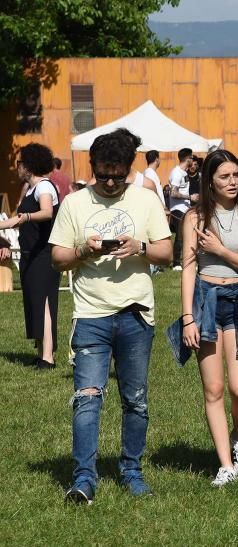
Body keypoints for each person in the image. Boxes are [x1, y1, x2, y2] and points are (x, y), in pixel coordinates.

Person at [49, 128, 172, 504]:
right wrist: (84, 251)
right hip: (90, 316)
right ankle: (84, 478)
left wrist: (141, 246)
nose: (110, 181)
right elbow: (57, 258)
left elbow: (167, 254)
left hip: (135, 315)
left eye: (118, 174)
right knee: (87, 398)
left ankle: (131, 471)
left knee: (135, 399)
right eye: (103, 174)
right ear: (93, 168)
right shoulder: (74, 203)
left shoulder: (146, 200)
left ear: (128, 170)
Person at [180, 150, 238, 487]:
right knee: (213, 388)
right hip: (207, 300)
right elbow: (187, 267)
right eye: (224, 177)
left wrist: (221, 250)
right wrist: (188, 318)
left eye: (236, 175)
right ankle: (225, 463)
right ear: (210, 181)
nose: (232, 182)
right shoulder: (194, 218)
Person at [0, 143, 60, 369]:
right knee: (34, 302)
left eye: (20, 163)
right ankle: (41, 350)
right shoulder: (32, 187)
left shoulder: (44, 187)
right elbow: (15, 220)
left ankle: (48, 358)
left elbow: (46, 212)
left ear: (30, 165)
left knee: (44, 303)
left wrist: (24, 218)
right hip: (30, 254)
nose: (17, 168)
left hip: (43, 255)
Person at [169, 148, 196, 269]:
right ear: (187, 159)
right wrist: (191, 197)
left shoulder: (184, 173)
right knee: (179, 237)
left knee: (187, 236)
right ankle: (176, 263)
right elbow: (173, 193)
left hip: (185, 209)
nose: (193, 160)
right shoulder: (177, 173)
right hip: (178, 209)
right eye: (192, 157)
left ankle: (187, 261)